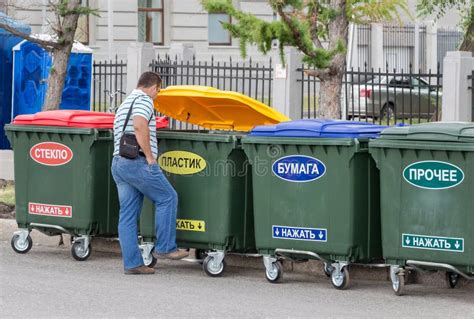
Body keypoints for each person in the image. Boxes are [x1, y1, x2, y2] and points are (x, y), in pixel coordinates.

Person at [111, 71, 188, 275]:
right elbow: (139, 125)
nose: (157, 94)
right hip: (137, 162)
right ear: (154, 87)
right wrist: (150, 157)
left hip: (119, 163)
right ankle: (165, 247)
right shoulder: (145, 100)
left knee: (127, 215)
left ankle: (132, 264)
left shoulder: (125, 103)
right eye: (158, 90)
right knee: (168, 197)